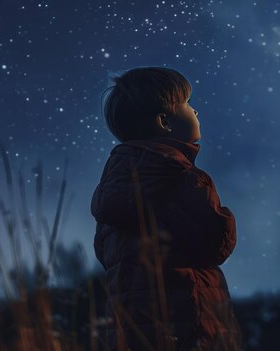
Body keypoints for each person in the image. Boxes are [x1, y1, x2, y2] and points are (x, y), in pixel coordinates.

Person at [91, 67, 242, 350]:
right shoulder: (185, 179)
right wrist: (226, 217)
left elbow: (105, 255)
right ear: (165, 122)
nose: (196, 112)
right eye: (187, 104)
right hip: (189, 325)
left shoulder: (113, 189)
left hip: (131, 331)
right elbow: (216, 245)